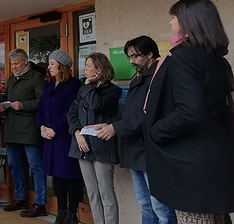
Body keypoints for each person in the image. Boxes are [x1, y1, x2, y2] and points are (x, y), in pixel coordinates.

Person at [143, 0, 234, 223]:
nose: (170, 23)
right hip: (213, 160)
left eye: (174, 17)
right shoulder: (216, 60)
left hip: (192, 167)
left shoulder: (184, 58)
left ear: (188, 21)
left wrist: (156, 131)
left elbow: (190, 112)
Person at [92, 36, 177, 224]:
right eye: (129, 57)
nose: (131, 61)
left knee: (161, 207)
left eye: (135, 56)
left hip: (151, 150)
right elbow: (129, 112)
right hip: (133, 149)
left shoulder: (160, 77)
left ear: (149, 54)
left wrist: (116, 127)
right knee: (145, 203)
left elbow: (148, 114)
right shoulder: (137, 79)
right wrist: (110, 124)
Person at [67, 52, 121, 224]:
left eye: (89, 65)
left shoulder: (113, 91)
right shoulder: (83, 88)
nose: (85, 68)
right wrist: (77, 133)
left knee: (106, 191)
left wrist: (89, 86)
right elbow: (72, 113)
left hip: (102, 145)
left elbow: (97, 106)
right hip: (82, 144)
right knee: (91, 192)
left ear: (99, 69)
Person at [0, 49, 47, 217]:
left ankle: (40, 202)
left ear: (26, 61)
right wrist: (3, 106)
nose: (14, 67)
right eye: (12, 64)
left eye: (17, 64)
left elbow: (42, 101)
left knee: (35, 166)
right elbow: (8, 98)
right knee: (14, 165)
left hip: (29, 127)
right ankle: (20, 198)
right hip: (12, 127)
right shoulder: (11, 79)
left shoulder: (36, 78)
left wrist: (23, 105)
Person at [35, 50, 82, 223]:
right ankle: (61, 212)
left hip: (65, 137)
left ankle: (72, 213)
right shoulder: (49, 84)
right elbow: (41, 108)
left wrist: (55, 129)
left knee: (70, 175)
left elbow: (71, 110)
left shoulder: (74, 85)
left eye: (52, 64)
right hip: (49, 137)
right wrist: (41, 127)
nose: (49, 67)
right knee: (56, 176)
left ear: (62, 66)